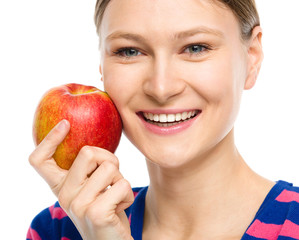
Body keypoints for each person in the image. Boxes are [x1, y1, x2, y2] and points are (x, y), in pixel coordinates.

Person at [27, 0, 299, 239]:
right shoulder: (59, 229)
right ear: (101, 66)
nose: (161, 88)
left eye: (195, 47)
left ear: (252, 58)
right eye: (129, 51)